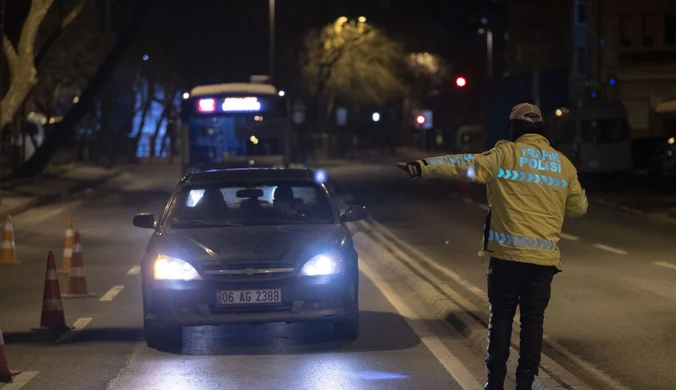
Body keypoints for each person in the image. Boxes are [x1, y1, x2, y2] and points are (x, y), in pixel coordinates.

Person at [397, 103, 588, 390]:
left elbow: (463, 164)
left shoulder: (504, 155)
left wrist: (420, 167)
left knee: (501, 319)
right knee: (532, 323)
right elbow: (579, 208)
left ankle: (495, 381)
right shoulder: (563, 164)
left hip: (507, 259)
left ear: (514, 129)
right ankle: (526, 381)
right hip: (543, 263)